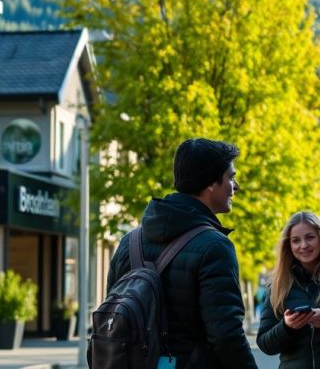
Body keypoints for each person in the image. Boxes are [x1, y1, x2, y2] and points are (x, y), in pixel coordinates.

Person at [104, 138, 258, 369]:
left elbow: (114, 312)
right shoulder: (215, 247)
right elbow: (225, 336)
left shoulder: (129, 242)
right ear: (211, 184)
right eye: (231, 177)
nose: (236, 186)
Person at [257, 211, 320, 369]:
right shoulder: (278, 284)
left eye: (310, 237)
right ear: (288, 245)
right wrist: (287, 327)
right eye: (296, 240)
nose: (303, 245)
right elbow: (265, 344)